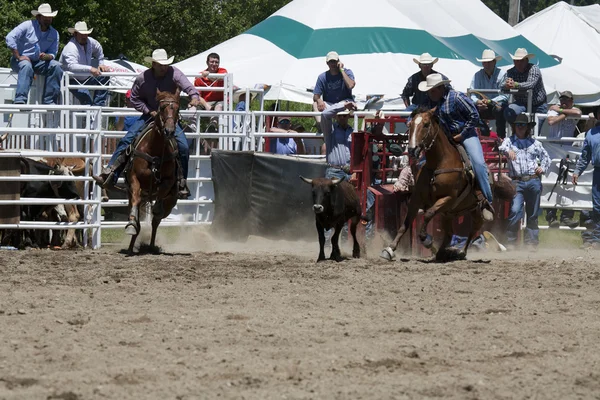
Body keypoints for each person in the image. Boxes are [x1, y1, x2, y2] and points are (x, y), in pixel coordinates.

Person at [93, 49, 201, 198]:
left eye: (165, 64)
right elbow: (134, 98)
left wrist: (194, 97)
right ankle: (111, 173)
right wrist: (149, 110)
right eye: (161, 65)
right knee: (127, 139)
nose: (164, 67)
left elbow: (190, 88)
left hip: (168, 117)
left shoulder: (175, 73)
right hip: (150, 115)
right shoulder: (142, 78)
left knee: (183, 146)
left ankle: (181, 181)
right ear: (154, 64)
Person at [420, 73, 495, 221]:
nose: (430, 93)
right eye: (429, 91)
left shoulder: (457, 97)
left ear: (441, 88)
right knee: (423, 163)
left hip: (466, 136)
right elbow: (421, 113)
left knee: (478, 164)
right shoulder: (430, 101)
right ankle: (424, 198)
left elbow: (474, 115)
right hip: (447, 139)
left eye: (432, 90)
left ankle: (486, 201)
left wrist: (462, 134)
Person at [498, 114, 551, 250]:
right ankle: (511, 241)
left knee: (532, 213)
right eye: (518, 125)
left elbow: (546, 157)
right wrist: (508, 150)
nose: (520, 128)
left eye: (523, 125)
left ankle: (531, 243)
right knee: (516, 210)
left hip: (533, 179)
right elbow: (501, 147)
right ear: (514, 127)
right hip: (517, 181)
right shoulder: (509, 142)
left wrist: (542, 167)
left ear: (527, 127)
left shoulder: (535, 143)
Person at [5, 3, 63, 105]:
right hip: (19, 61)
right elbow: (10, 37)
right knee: (26, 66)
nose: (48, 19)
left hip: (39, 62)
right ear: (38, 17)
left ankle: (49, 101)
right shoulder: (27, 25)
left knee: (56, 66)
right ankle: (20, 99)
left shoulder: (54, 33)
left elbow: (53, 53)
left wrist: (47, 57)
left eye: (50, 17)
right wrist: (18, 56)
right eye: (45, 16)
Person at [545, 90, 582, 228]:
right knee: (551, 181)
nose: (564, 102)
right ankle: (551, 215)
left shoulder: (560, 109)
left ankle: (566, 215)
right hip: (554, 150)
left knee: (569, 183)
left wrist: (561, 110)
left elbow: (578, 113)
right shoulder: (554, 110)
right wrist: (565, 112)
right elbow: (551, 121)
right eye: (562, 100)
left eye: (567, 100)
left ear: (572, 101)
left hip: (568, 151)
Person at [59, 21, 110, 106]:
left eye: (86, 34)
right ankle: (92, 114)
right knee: (87, 100)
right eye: (81, 34)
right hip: (71, 80)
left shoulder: (90, 42)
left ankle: (97, 107)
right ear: (75, 34)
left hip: (85, 78)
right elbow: (72, 66)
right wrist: (90, 68)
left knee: (104, 76)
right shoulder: (70, 47)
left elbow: (99, 49)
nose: (84, 36)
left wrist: (101, 63)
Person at [573, 106, 600, 248]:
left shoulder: (591, 133)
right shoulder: (590, 134)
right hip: (598, 172)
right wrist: (577, 171)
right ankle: (596, 238)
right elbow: (585, 156)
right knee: (597, 207)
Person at [313, 51, 357, 138]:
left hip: (344, 103)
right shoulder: (322, 77)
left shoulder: (347, 72)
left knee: (347, 105)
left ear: (338, 62)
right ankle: (321, 126)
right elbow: (315, 95)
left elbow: (351, 85)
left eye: (334, 61)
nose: (332, 63)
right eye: (330, 61)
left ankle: (342, 129)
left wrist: (341, 70)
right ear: (327, 63)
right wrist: (319, 100)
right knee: (314, 104)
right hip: (330, 104)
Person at [503, 48, 548, 124]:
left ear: (527, 61)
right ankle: (515, 131)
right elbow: (501, 85)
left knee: (534, 131)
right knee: (508, 112)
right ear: (514, 62)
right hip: (521, 104)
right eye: (517, 61)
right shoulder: (510, 72)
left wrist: (515, 84)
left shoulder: (534, 68)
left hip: (538, 105)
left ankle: (519, 131)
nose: (519, 63)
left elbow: (530, 84)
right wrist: (506, 85)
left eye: (522, 60)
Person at [469, 49, 507, 138]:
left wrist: (490, 101)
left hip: (496, 105)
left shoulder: (502, 74)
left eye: (489, 62)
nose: (486, 64)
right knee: (469, 110)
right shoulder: (477, 75)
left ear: (494, 62)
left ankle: (501, 138)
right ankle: (484, 132)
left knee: (499, 109)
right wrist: (478, 102)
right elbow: (472, 94)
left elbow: (505, 96)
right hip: (482, 105)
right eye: (485, 62)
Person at [194, 52, 226, 127]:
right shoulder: (199, 77)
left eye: (216, 62)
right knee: (192, 105)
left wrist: (208, 74)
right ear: (207, 63)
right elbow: (197, 95)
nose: (214, 64)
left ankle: (213, 125)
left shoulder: (223, 71)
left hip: (220, 101)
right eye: (212, 62)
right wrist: (206, 105)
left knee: (219, 106)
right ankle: (192, 126)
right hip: (205, 102)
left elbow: (218, 78)